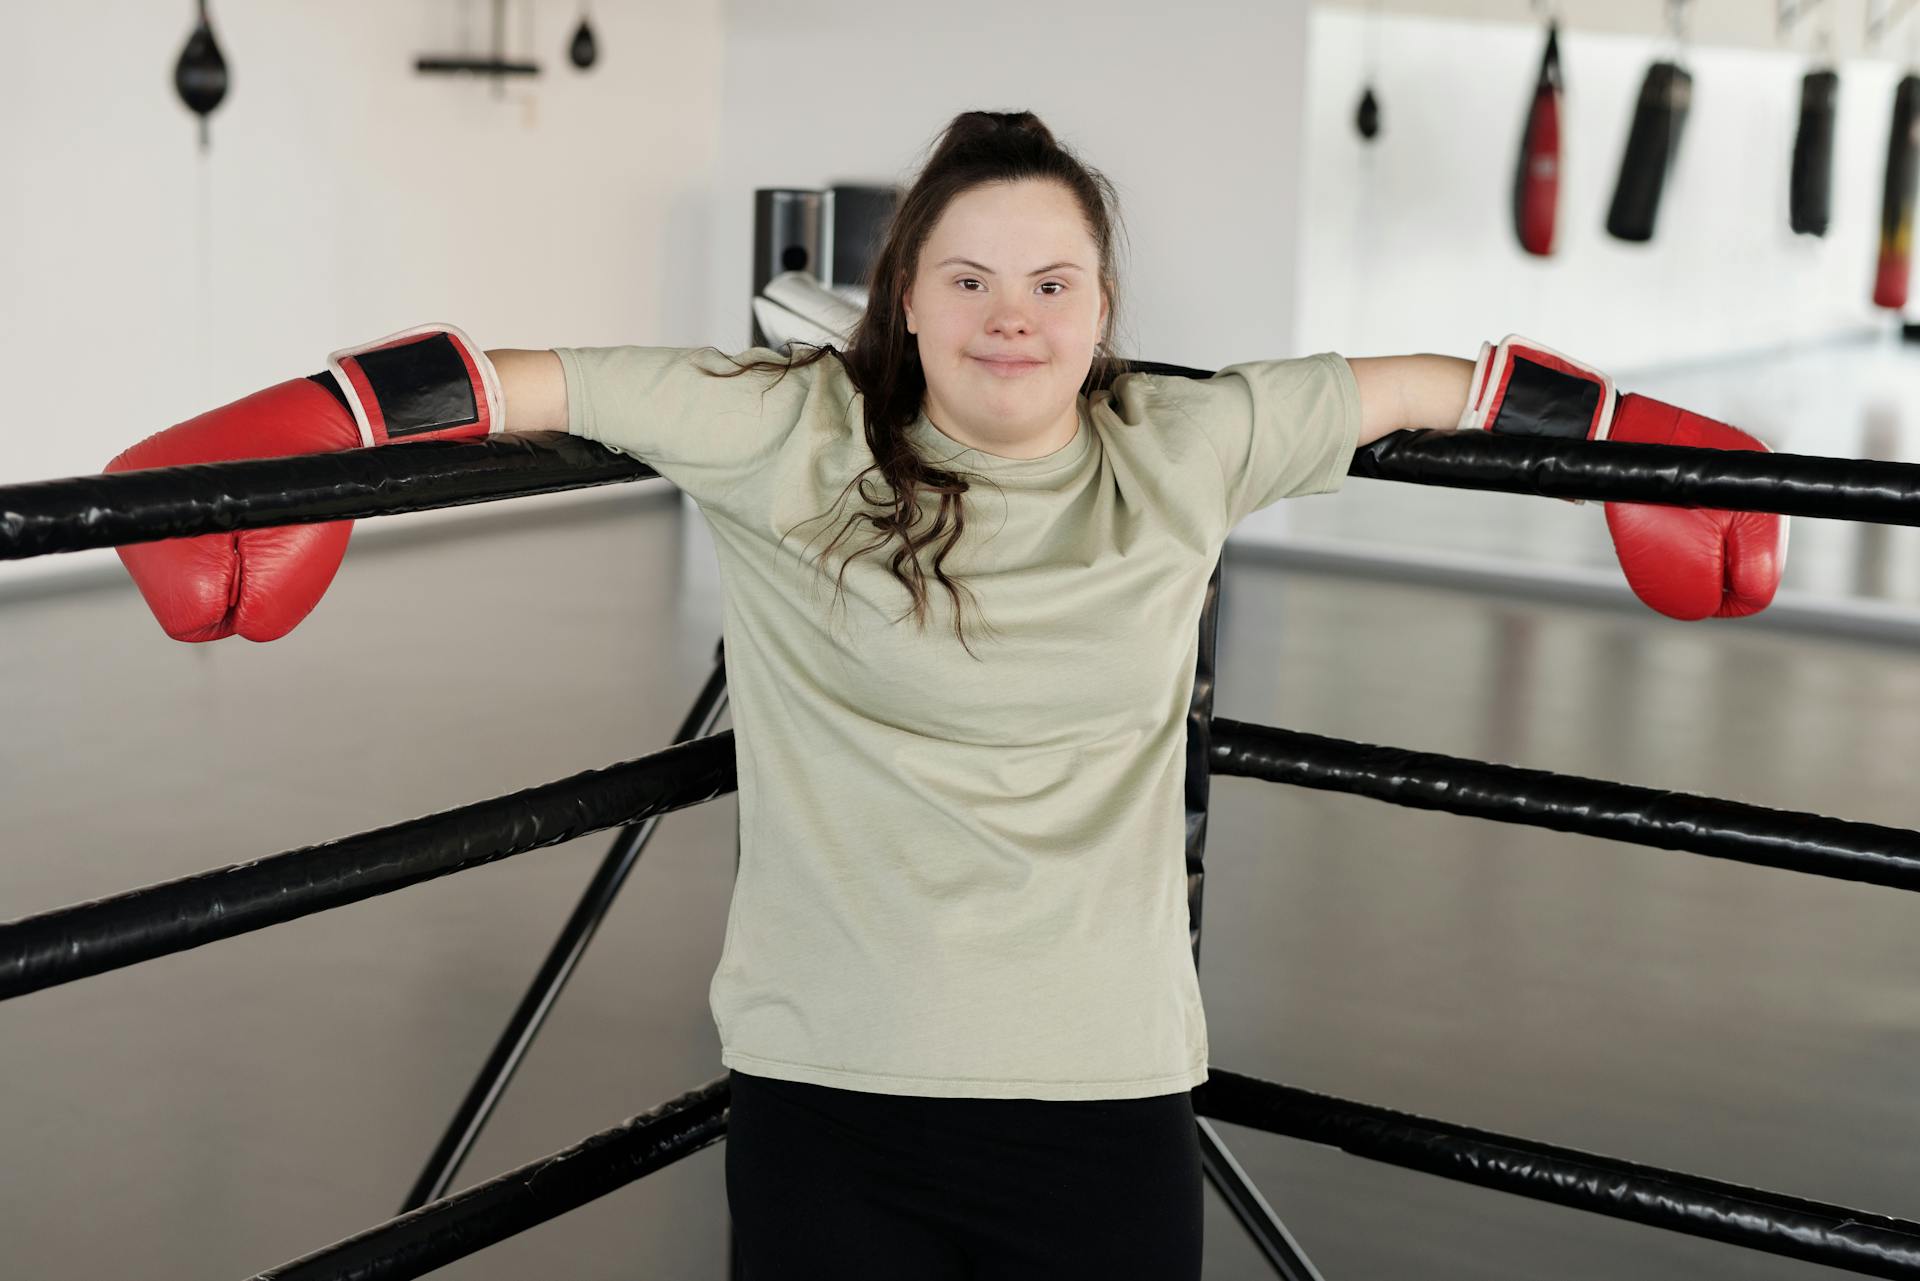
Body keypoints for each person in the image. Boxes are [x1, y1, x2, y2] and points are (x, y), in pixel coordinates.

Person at [103, 111, 1784, 1278]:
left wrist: (1641, 441)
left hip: (1106, 1104)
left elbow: (1455, 379)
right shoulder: (787, 431)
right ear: (902, 296)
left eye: (1053, 281)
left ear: (1107, 310)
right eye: (967, 276)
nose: (1011, 314)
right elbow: (504, 377)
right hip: (834, 1097)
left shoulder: (1185, 444)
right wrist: (312, 420)